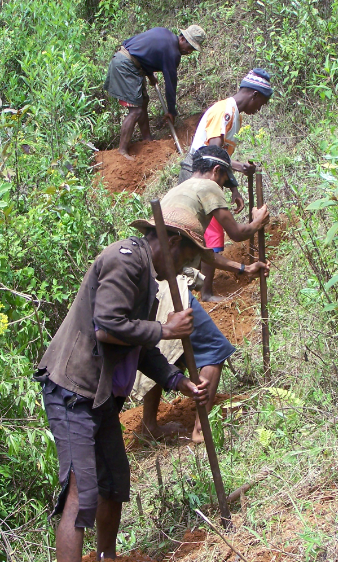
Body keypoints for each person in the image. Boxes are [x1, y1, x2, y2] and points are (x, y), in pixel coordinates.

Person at [34, 208, 212, 562]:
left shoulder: (148, 279)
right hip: (73, 391)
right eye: (184, 260)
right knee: (81, 491)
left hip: (100, 398)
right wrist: (165, 329)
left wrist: (178, 381)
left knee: (113, 484)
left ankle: (107, 557)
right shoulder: (125, 260)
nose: (180, 271)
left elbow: (139, 346)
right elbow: (107, 327)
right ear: (171, 242)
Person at [138, 145, 270, 442]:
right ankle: (201, 431)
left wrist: (241, 268)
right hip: (171, 284)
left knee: (160, 353)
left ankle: (149, 424)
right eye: (225, 181)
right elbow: (236, 233)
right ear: (217, 171)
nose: (222, 187)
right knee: (214, 350)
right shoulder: (209, 186)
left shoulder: (180, 190)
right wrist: (257, 222)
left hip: (150, 282)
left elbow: (202, 253)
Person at [179, 69, 273, 299]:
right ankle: (206, 291)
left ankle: (197, 285)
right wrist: (239, 168)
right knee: (208, 232)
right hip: (199, 171)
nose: (259, 109)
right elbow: (213, 152)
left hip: (208, 173)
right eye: (261, 102)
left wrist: (233, 188)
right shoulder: (226, 111)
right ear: (253, 94)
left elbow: (220, 159)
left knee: (205, 231)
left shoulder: (233, 114)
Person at [104, 25, 206, 160]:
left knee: (143, 101)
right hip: (126, 66)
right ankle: (122, 150)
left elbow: (143, 51)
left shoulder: (164, 34)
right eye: (190, 47)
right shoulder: (172, 53)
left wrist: (150, 75)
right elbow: (171, 84)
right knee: (136, 111)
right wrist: (171, 111)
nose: (189, 52)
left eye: (193, 49)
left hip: (128, 62)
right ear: (182, 38)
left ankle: (147, 139)